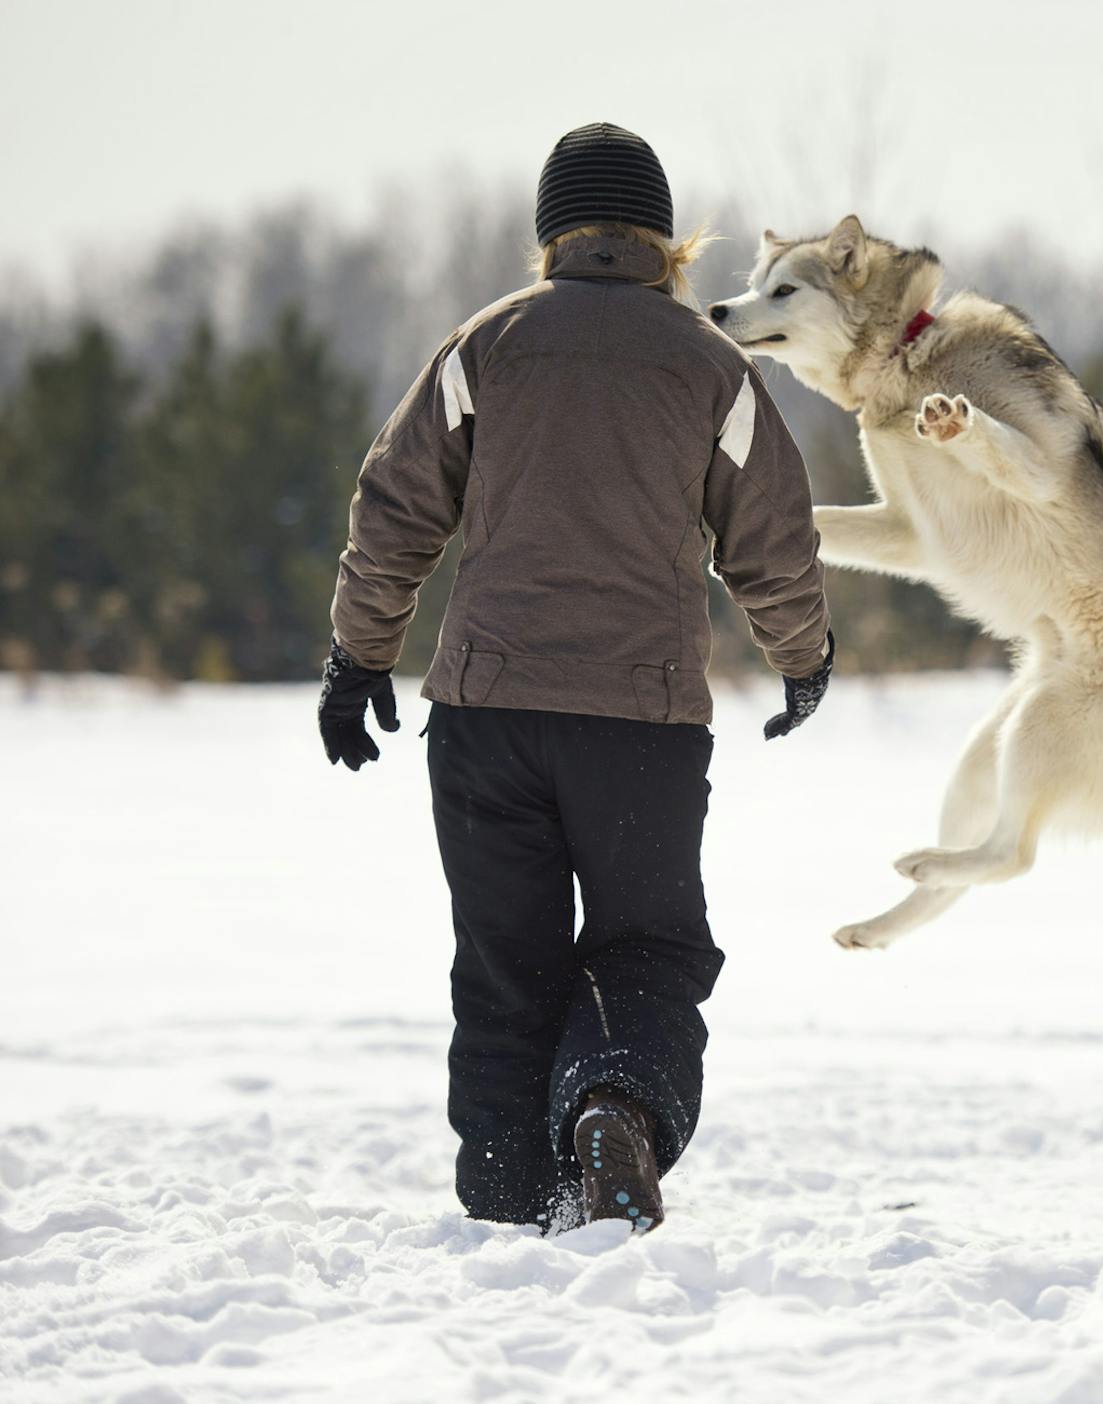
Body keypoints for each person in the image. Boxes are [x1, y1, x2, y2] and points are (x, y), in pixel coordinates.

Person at [316, 122, 833, 1233]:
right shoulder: (711, 364)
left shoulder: (485, 346)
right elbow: (773, 537)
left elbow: (395, 507)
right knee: (648, 951)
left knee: (506, 971)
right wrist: (802, 657)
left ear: (551, 235)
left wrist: (359, 655)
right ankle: (616, 1110)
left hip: (485, 719)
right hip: (639, 728)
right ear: (668, 242)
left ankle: (507, 1211)